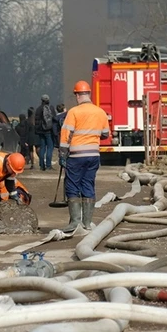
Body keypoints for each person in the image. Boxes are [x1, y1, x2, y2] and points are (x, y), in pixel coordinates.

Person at [58, 81, 110, 233]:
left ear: (78, 95)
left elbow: (66, 134)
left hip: (76, 156)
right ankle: (87, 223)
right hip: (93, 155)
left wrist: (62, 154)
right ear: (88, 94)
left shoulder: (74, 112)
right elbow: (106, 134)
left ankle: (75, 222)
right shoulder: (100, 112)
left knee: (73, 186)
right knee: (88, 185)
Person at [35, 95, 55, 171]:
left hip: (40, 131)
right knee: (50, 147)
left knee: (42, 148)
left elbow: (36, 121)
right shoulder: (50, 108)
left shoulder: (38, 109)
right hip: (48, 130)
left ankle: (41, 165)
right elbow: (54, 118)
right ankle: (48, 165)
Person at [53, 103, 68, 169]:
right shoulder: (64, 117)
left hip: (58, 136)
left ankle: (61, 161)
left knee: (61, 150)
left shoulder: (55, 118)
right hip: (63, 135)